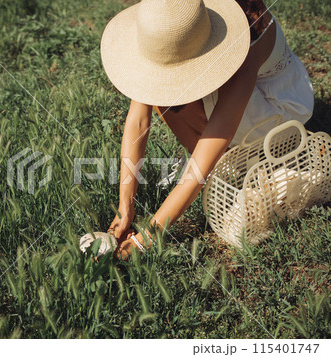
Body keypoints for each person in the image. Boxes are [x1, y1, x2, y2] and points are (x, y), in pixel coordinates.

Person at [100, 0, 314, 259]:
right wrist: (125, 206)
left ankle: (239, 167)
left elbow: (211, 144)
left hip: (277, 109)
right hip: (235, 102)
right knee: (160, 92)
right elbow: (138, 121)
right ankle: (231, 171)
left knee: (198, 139)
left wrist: (148, 236)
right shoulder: (173, 26)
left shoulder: (246, 39)